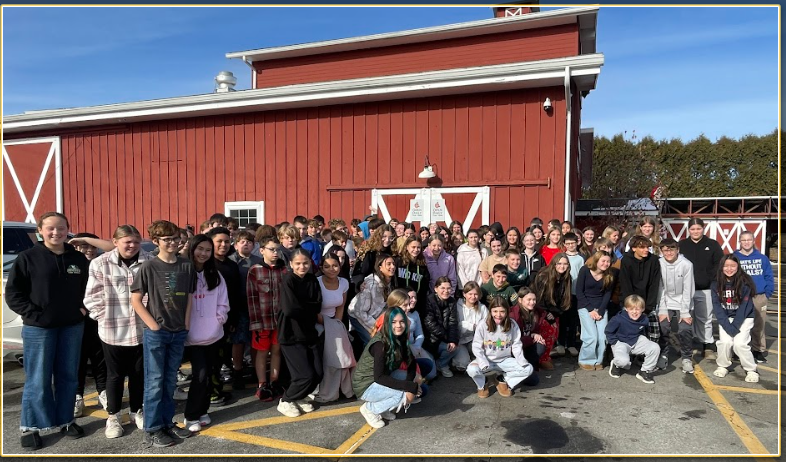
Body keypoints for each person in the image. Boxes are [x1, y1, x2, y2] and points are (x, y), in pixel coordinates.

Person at [5, 212, 90, 450]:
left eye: (61, 228)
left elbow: (90, 289)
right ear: (40, 231)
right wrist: (35, 315)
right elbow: (13, 293)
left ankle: (65, 419)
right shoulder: (28, 258)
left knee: (68, 376)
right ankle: (31, 426)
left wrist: (82, 310)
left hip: (72, 326)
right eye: (50, 228)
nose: (56, 233)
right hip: (39, 329)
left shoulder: (78, 259)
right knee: (38, 379)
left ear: (67, 231)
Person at [131, 220, 197, 447]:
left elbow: (188, 297)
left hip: (178, 331)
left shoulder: (186, 265)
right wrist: (153, 325)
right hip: (157, 333)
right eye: (166, 239)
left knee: (170, 380)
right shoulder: (148, 267)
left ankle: (167, 422)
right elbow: (136, 300)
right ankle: (152, 428)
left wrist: (186, 324)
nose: (172, 243)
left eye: (175, 238)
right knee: (155, 381)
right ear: (156, 241)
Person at [83, 225, 152, 438]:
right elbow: (91, 297)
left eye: (136, 242)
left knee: (138, 374)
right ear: (115, 242)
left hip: (142, 328)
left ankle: (136, 410)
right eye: (127, 242)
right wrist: (102, 317)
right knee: (115, 376)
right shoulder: (100, 263)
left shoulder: (149, 261)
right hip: (113, 329)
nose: (132, 246)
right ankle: (113, 416)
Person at [183, 235, 230, 433]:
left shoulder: (216, 275)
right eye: (199, 249)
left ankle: (202, 410)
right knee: (199, 375)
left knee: (210, 374)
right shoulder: (183, 272)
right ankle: (191, 415)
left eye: (207, 250)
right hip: (190, 337)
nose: (203, 253)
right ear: (192, 248)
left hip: (213, 335)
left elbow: (223, 303)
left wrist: (218, 320)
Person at [352, 306, 422, 429]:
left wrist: (411, 384)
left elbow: (411, 363)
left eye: (401, 322)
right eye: (393, 322)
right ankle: (370, 409)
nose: (398, 325)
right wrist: (409, 388)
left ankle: (383, 408)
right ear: (387, 324)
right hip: (366, 385)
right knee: (401, 395)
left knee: (414, 378)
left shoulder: (400, 338)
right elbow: (379, 378)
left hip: (381, 378)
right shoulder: (380, 344)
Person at [276, 248, 324, 418]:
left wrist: (302, 306)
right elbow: (289, 309)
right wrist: (307, 308)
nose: (302, 266)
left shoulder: (312, 279)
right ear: (291, 264)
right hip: (290, 334)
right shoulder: (288, 280)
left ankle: (300, 396)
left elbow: (317, 304)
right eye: (298, 263)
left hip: (309, 332)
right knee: (304, 374)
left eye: (305, 263)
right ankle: (287, 400)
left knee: (318, 372)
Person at [69, 232, 108, 420]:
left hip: (98, 318)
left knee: (100, 357)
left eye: (91, 246)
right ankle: (77, 395)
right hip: (76, 318)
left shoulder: (102, 262)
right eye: (83, 246)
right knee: (79, 359)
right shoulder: (71, 263)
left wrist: (88, 240)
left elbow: (113, 247)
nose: (89, 250)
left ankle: (103, 391)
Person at [467, 297, 534, 398]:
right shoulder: (483, 324)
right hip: (487, 360)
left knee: (528, 369)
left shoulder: (512, 325)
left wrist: (521, 360)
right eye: (495, 311)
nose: (498, 315)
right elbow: (476, 346)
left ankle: (502, 379)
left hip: (504, 360)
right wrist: (482, 361)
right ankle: (482, 384)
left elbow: (516, 344)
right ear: (490, 311)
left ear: (507, 311)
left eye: (502, 311)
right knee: (471, 370)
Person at [206, 227, 244, 403]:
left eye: (227, 241)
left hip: (227, 318)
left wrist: (233, 318)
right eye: (219, 241)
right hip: (207, 320)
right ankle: (213, 394)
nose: (223, 245)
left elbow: (235, 294)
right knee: (211, 359)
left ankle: (217, 389)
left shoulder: (231, 265)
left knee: (220, 357)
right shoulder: (206, 264)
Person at [679, 217, 723, 361]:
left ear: (703, 229)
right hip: (685, 290)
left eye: (698, 228)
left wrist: (711, 280)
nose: (696, 231)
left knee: (705, 319)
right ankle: (687, 346)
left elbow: (719, 264)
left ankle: (707, 345)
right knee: (686, 319)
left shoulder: (712, 244)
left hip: (705, 289)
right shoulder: (682, 245)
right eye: (693, 229)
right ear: (689, 230)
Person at [314, 256, 356, 403]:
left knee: (343, 354)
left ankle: (342, 388)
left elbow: (341, 306)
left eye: (335, 266)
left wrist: (336, 324)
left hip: (334, 322)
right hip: (317, 322)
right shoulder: (317, 282)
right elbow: (313, 309)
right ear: (321, 268)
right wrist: (328, 324)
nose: (332, 269)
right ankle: (323, 389)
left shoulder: (344, 282)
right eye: (327, 266)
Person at [711, 255, 759, 383]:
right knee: (725, 342)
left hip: (744, 318)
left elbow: (744, 308)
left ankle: (751, 369)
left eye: (732, 266)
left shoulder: (745, 283)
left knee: (739, 344)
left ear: (738, 267)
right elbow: (717, 307)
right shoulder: (715, 283)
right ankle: (723, 365)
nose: (729, 269)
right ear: (721, 267)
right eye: (726, 266)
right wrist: (727, 326)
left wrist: (734, 327)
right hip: (726, 318)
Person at [228, 230, 262, 389]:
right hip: (238, 307)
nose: (246, 244)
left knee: (256, 340)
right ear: (235, 245)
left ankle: (256, 369)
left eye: (249, 242)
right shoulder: (231, 262)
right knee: (238, 341)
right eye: (242, 241)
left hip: (256, 307)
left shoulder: (259, 261)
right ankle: (238, 371)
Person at [734, 231, 774, 364]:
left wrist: (767, 293)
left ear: (753, 241)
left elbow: (769, 276)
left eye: (749, 240)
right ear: (740, 242)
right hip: (740, 297)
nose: (746, 242)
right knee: (738, 323)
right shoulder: (734, 257)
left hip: (758, 296)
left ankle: (758, 350)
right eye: (743, 240)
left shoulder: (762, 258)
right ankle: (737, 350)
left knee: (758, 325)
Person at [657, 238, 696, 374]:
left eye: (671, 249)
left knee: (685, 328)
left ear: (677, 249)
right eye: (665, 250)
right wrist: (662, 309)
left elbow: (688, 289)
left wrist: (685, 312)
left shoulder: (686, 264)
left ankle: (686, 357)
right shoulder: (659, 264)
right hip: (666, 301)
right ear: (661, 251)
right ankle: (663, 354)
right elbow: (660, 288)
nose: (669, 253)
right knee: (663, 326)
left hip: (683, 303)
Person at [605, 295, 661, 384]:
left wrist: (643, 341)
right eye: (631, 309)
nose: (634, 312)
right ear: (626, 309)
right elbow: (608, 331)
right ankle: (616, 364)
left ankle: (644, 371)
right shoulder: (618, 319)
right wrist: (615, 342)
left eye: (637, 309)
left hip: (636, 340)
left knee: (654, 347)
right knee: (623, 361)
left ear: (642, 309)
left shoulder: (645, 319)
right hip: (621, 342)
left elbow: (643, 331)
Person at [575, 251, 615, 371]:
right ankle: (585, 360)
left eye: (608, 261)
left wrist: (601, 311)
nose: (606, 263)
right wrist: (591, 310)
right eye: (603, 261)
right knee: (591, 336)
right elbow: (579, 292)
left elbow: (608, 294)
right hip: (585, 306)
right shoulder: (585, 271)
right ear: (596, 260)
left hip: (601, 307)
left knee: (602, 337)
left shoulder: (609, 275)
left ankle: (599, 360)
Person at [619, 235, 661, 345]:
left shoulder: (654, 260)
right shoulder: (626, 260)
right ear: (634, 248)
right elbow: (625, 284)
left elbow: (654, 284)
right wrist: (632, 305)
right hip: (631, 302)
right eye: (642, 247)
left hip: (648, 302)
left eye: (647, 247)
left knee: (654, 335)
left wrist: (648, 306)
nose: (646, 250)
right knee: (630, 332)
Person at [348, 255, 397, 346]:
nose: (392, 267)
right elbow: (360, 311)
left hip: (374, 317)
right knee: (373, 343)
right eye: (389, 264)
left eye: (393, 264)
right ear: (380, 267)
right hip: (357, 315)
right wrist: (376, 327)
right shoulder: (371, 285)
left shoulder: (390, 283)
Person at [530, 253, 572, 357]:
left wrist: (558, 312)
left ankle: (546, 355)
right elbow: (540, 300)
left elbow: (563, 298)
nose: (562, 266)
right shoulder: (544, 276)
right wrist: (550, 316)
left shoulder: (567, 277)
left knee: (554, 331)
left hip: (555, 309)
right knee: (547, 330)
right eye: (559, 263)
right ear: (554, 264)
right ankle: (540, 357)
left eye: (565, 264)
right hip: (541, 309)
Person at [423, 277, 460, 377]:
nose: (446, 291)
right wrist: (447, 338)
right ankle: (434, 363)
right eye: (442, 288)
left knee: (453, 347)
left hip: (444, 339)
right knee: (431, 374)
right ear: (436, 288)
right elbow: (429, 323)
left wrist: (452, 340)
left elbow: (453, 322)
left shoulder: (452, 302)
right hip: (430, 341)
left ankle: (442, 364)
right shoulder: (429, 300)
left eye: (448, 288)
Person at [517, 287, 557, 370]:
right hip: (516, 347)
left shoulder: (536, 311)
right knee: (533, 382)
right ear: (520, 300)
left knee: (541, 345)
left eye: (534, 299)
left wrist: (552, 321)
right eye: (529, 299)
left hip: (528, 343)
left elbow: (545, 314)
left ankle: (533, 363)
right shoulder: (514, 315)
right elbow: (516, 339)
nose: (532, 302)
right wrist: (532, 337)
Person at [453, 282, 488, 372]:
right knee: (462, 365)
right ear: (464, 294)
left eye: (475, 294)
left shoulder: (482, 308)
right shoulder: (457, 306)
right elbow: (455, 324)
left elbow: (487, 325)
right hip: (460, 341)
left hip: (475, 341)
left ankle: (474, 359)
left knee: (484, 358)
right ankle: (464, 359)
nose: (473, 297)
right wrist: (471, 326)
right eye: (470, 294)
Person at [393, 237, 431, 318]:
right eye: (413, 247)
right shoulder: (399, 261)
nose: (416, 250)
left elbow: (425, 284)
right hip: (400, 301)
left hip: (416, 302)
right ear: (407, 247)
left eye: (418, 247)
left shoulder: (422, 265)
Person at [561, 233, 585, 358]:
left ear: (577, 243)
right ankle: (561, 343)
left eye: (573, 243)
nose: (570, 245)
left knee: (573, 320)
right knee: (563, 319)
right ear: (564, 244)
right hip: (564, 293)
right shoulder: (562, 256)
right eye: (568, 243)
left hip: (576, 292)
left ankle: (571, 344)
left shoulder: (581, 258)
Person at [352, 225, 395, 291]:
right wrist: (360, 283)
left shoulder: (393, 252)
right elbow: (360, 271)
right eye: (384, 236)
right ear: (378, 236)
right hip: (370, 286)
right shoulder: (370, 251)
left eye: (391, 237)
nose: (387, 240)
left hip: (388, 286)